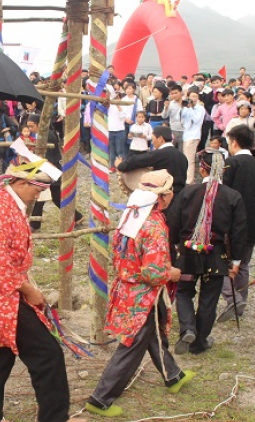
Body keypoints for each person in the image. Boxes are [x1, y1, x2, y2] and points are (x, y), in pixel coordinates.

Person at [0, 155, 85, 422]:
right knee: (47, 356)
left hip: (1, 293)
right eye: (36, 189)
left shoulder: (7, 203)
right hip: (3, 296)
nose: (38, 196)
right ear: (18, 181)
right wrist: (27, 290)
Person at [86, 170, 195, 418]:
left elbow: (123, 256)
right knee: (133, 345)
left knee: (152, 334)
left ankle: (173, 375)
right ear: (164, 196)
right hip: (143, 295)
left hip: (128, 289)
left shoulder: (131, 215)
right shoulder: (154, 224)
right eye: (171, 193)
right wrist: (171, 273)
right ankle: (100, 398)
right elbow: (153, 272)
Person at [167, 152, 247, 355]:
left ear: (202, 168)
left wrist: (174, 246)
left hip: (187, 255)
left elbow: (174, 223)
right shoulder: (233, 196)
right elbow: (239, 233)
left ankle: (187, 328)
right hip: (216, 256)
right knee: (209, 300)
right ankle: (199, 342)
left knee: (184, 292)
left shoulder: (188, 192)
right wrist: (236, 261)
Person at [217, 125, 255, 323]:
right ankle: (240, 301)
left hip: (231, 223)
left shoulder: (230, 164)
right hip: (253, 222)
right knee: (243, 263)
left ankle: (232, 299)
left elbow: (222, 193)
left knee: (222, 262)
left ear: (234, 142)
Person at [26, 114, 85, 231]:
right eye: (28, 126)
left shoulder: (47, 135)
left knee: (40, 197)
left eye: (32, 126)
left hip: (50, 169)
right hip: (47, 169)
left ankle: (34, 224)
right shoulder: (41, 135)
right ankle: (77, 216)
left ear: (39, 125)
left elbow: (48, 157)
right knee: (56, 197)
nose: (30, 129)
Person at [117, 126, 188, 197]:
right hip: (181, 196)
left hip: (164, 197)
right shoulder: (182, 156)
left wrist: (120, 165)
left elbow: (136, 161)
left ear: (160, 139)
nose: (152, 142)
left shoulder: (159, 154)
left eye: (153, 139)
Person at [181, 87, 206, 184]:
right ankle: (188, 178)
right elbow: (182, 118)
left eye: (196, 96)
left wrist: (190, 108)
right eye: (192, 96)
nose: (194, 98)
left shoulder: (200, 108)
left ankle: (189, 180)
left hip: (194, 135)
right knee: (186, 158)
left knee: (190, 159)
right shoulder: (187, 107)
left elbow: (196, 120)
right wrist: (184, 107)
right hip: (186, 135)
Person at [163, 84, 185, 149]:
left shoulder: (186, 103)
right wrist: (166, 107)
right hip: (173, 130)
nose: (174, 95)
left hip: (184, 130)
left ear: (181, 93)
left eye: (176, 93)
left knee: (182, 151)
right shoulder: (170, 104)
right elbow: (164, 116)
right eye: (172, 93)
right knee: (172, 149)